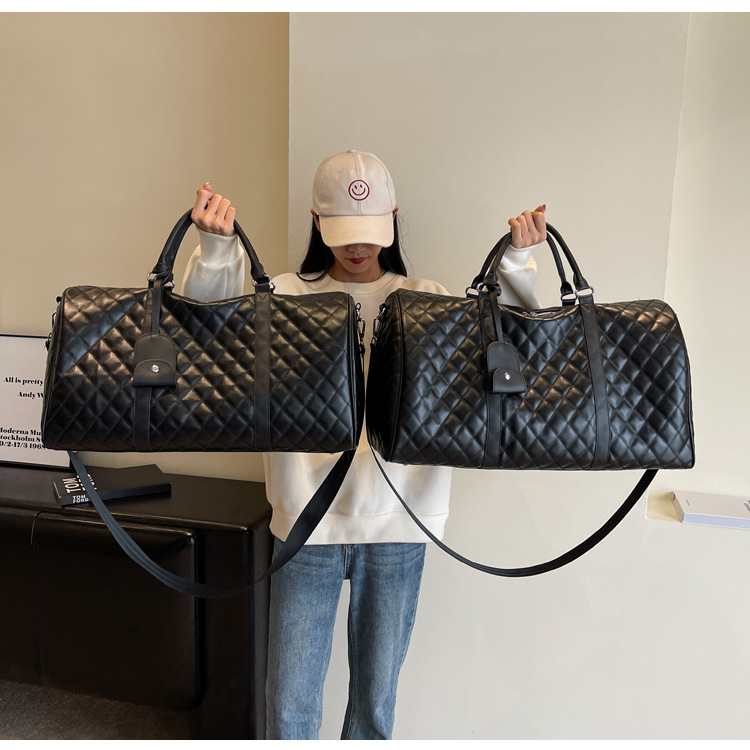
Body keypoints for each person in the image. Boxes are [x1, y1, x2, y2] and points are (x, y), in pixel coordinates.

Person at [182, 150, 545, 740]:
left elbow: (511, 356)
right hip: (306, 525)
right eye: (343, 230)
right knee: (289, 706)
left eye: (371, 230)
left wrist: (519, 263)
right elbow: (206, 335)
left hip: (401, 525)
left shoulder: (427, 298)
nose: (357, 246)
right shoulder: (284, 295)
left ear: (393, 218)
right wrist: (217, 249)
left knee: (375, 709)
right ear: (316, 220)